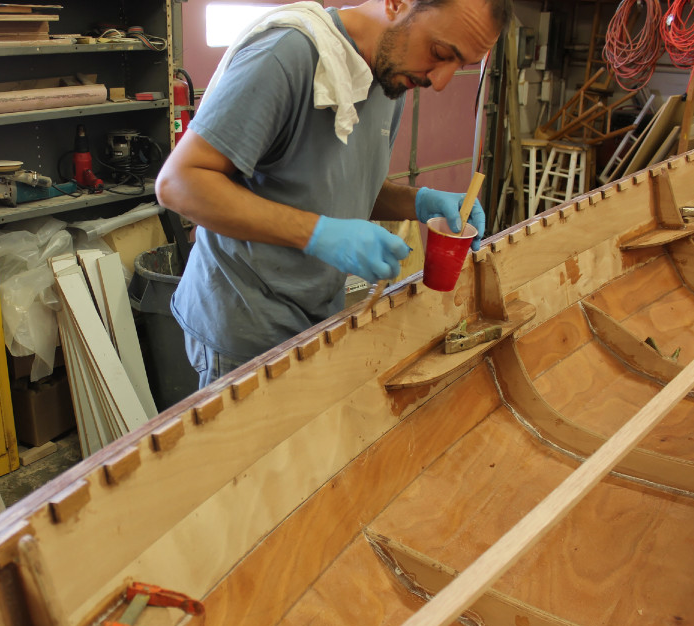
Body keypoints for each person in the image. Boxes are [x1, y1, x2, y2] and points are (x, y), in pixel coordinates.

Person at [155, 0, 512, 388]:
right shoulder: (288, 55)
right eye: (441, 53)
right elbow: (178, 183)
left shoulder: (391, 76)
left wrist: (421, 202)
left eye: (457, 66)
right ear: (396, 3)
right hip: (245, 322)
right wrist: (318, 234)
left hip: (316, 314)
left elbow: (347, 186)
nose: (440, 81)